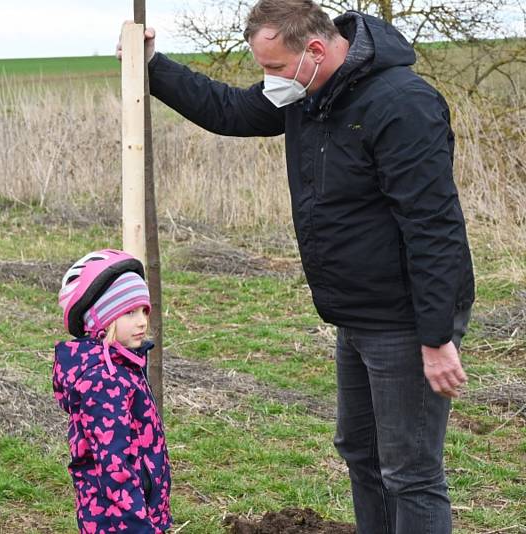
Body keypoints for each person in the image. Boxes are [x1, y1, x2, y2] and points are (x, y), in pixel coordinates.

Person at [119, 1, 475, 532]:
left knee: (410, 472)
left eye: (275, 68)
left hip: (404, 318)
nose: (270, 80)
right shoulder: (311, 93)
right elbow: (230, 111)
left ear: (314, 49)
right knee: (361, 451)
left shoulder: (403, 104)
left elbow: (433, 226)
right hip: (355, 313)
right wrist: (151, 65)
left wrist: (436, 337)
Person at [53, 249, 172, 533]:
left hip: (136, 512)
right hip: (119, 521)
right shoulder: (104, 380)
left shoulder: (123, 365)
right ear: (102, 320)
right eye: (129, 312)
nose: (142, 321)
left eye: (144, 310)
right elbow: (114, 465)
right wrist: (138, 525)